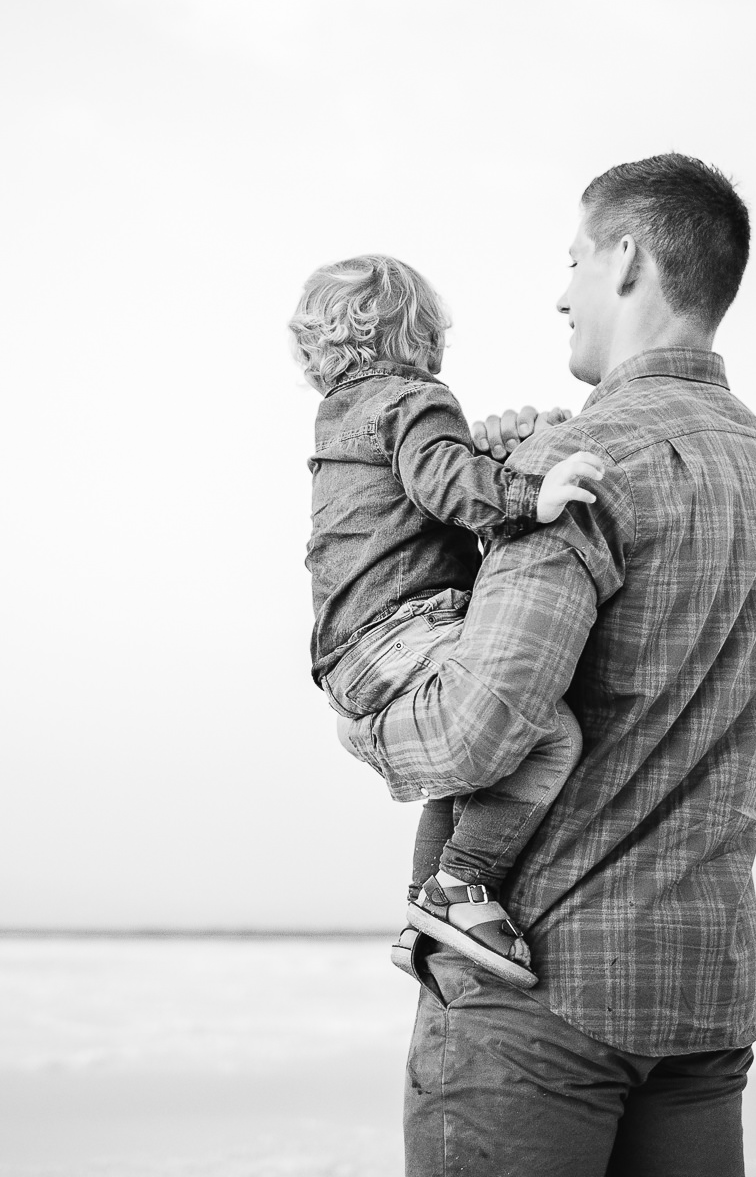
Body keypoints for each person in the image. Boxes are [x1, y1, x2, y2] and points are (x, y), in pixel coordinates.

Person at [340, 155, 756, 1175]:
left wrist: (362, 707)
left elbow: (476, 729)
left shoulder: (585, 462)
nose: (561, 293)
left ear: (629, 259)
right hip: (703, 997)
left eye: (573, 262)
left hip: (538, 1001)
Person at [294, 254, 603, 987]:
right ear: (424, 337)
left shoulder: (340, 412)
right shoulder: (414, 399)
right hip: (405, 626)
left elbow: (429, 474)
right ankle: (461, 881)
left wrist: (490, 449)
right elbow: (443, 481)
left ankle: (423, 916)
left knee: (466, 776)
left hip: (347, 655)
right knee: (548, 734)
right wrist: (533, 494)